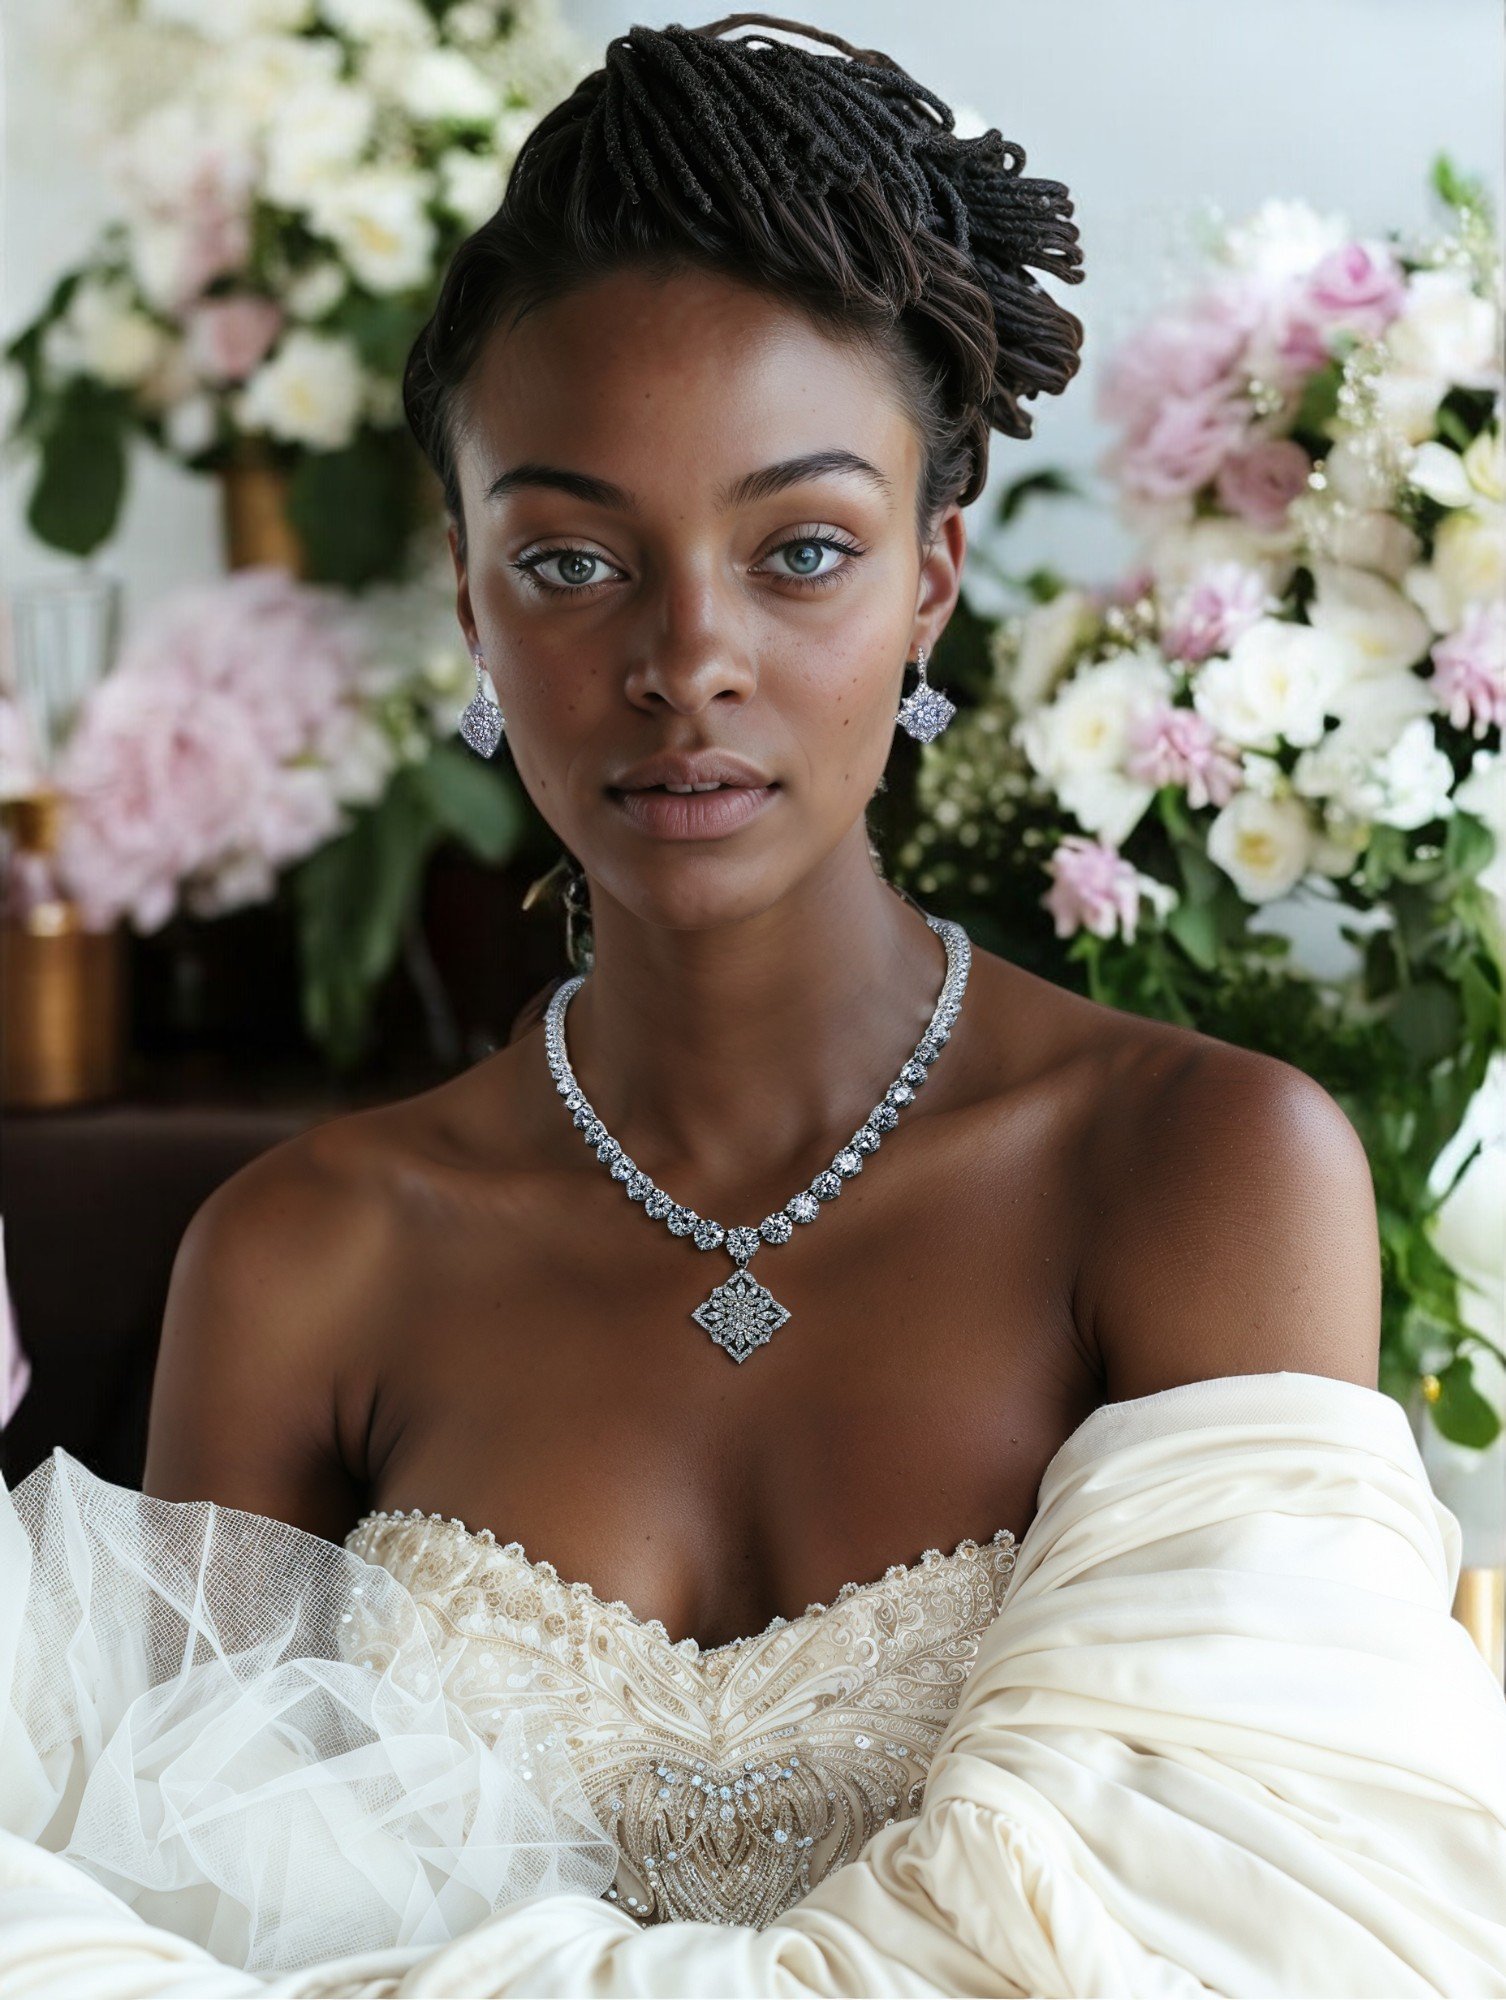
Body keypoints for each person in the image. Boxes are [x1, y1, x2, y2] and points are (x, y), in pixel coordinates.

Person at [2, 16, 1505, 1997]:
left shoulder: (1203, 1170)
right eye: (570, 561)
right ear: (466, 594)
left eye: (800, 550)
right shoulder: (303, 1257)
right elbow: (172, 1936)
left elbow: (1239, 1935)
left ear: (931, 574)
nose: (686, 659)